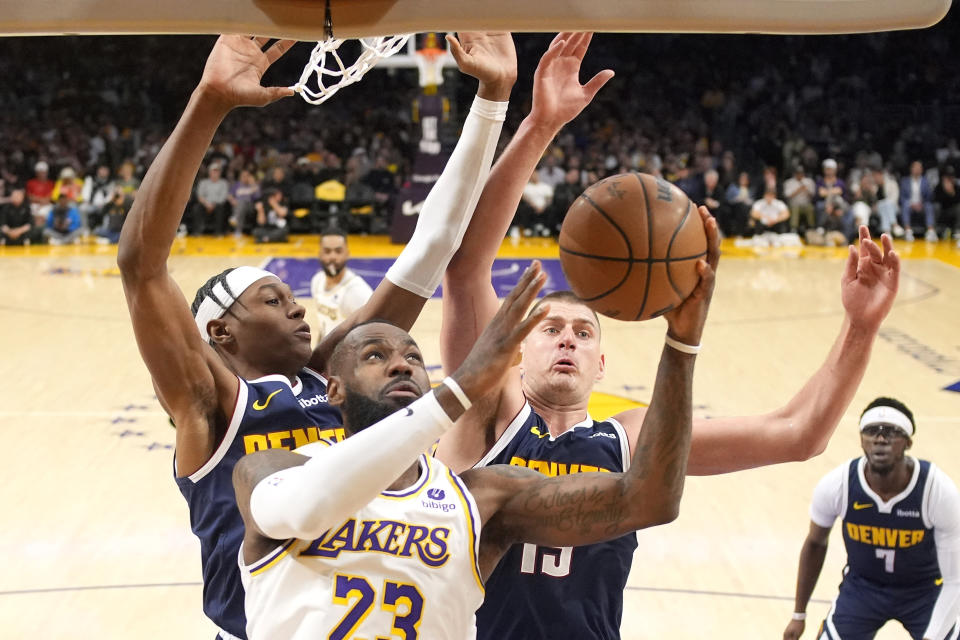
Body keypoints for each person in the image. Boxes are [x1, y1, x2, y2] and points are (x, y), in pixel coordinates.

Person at [436, 33, 901, 640]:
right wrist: (541, 122)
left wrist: (861, 326)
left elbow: (797, 433)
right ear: (516, 349)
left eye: (583, 331)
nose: (568, 339)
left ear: (602, 364)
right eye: (550, 329)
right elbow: (466, 265)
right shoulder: (485, 414)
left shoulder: (627, 439)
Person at [117, 32, 517, 640]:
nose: (299, 310)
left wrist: (492, 98)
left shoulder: (335, 373)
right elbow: (142, 264)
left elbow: (432, 246)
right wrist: (209, 103)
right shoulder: (210, 403)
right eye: (273, 300)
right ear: (221, 331)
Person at [232, 255, 715, 639]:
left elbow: (649, 499)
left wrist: (682, 344)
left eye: (415, 358)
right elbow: (310, 504)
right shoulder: (268, 469)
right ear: (334, 389)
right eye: (376, 355)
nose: (402, 366)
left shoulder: (481, 499)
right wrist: (456, 392)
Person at [783, 397, 960, 640]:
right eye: (871, 431)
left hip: (924, 591)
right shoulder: (838, 484)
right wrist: (798, 614)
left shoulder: (937, 489)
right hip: (863, 588)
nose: (880, 439)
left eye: (891, 432)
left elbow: (955, 579)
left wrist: (934, 636)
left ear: (908, 442)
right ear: (861, 440)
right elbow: (815, 543)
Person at [309, 228, 373, 340]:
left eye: (338, 251)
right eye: (327, 251)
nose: (333, 257)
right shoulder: (317, 281)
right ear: (319, 254)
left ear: (347, 253)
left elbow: (373, 335)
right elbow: (323, 327)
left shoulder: (358, 291)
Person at [900, 160, 937, 243]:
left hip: (922, 205)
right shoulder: (905, 181)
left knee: (929, 206)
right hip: (910, 205)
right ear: (911, 169)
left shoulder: (926, 181)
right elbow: (902, 198)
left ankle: (931, 231)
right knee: (905, 205)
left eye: (919, 168)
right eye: (915, 167)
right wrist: (911, 204)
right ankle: (908, 231)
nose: (917, 169)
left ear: (922, 169)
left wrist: (921, 204)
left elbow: (929, 197)